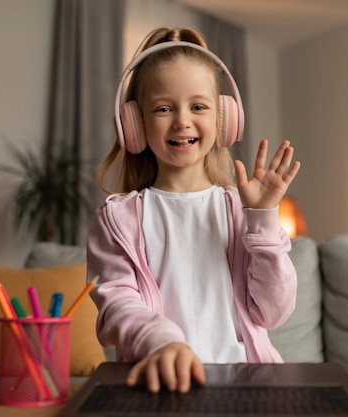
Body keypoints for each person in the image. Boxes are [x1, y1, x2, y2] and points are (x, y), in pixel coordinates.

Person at [87, 26, 300, 394]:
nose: (182, 120)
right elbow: (116, 307)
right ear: (135, 124)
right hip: (157, 385)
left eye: (198, 106)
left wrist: (263, 219)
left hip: (245, 388)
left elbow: (273, 312)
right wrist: (161, 341)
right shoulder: (118, 219)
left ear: (222, 120)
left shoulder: (241, 210)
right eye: (163, 108)